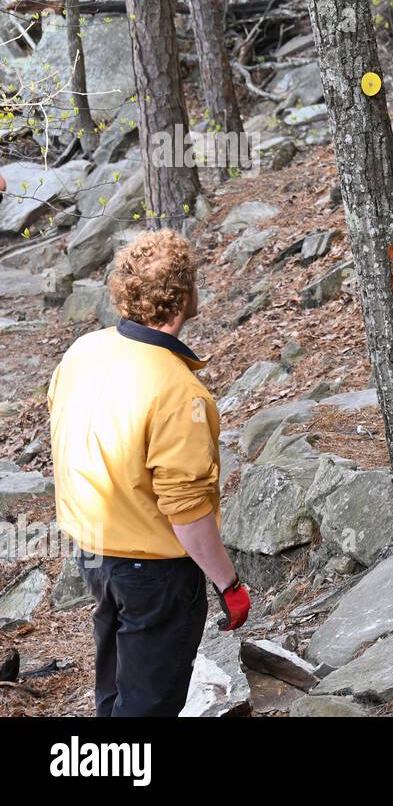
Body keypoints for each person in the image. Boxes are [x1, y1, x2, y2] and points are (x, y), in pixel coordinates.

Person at [48, 230, 248, 716]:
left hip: (93, 551)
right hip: (153, 572)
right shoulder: (179, 391)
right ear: (183, 297)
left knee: (116, 690)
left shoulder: (84, 351)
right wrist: (228, 583)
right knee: (146, 707)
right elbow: (187, 512)